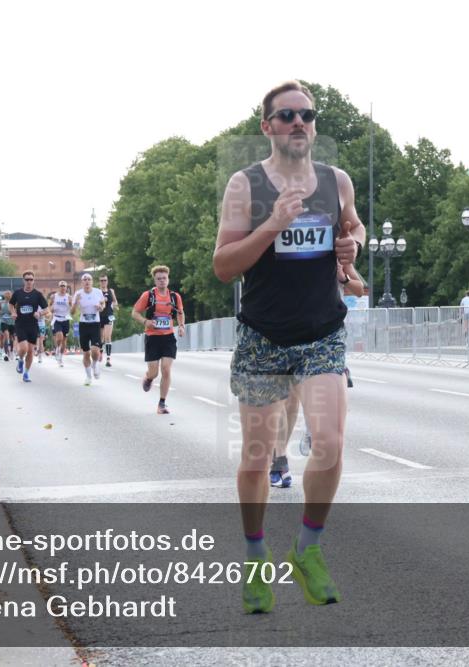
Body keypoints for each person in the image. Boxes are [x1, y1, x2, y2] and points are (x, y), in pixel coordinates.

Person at [213, 81, 365, 612]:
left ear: (314, 125)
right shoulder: (245, 185)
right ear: (268, 127)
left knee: (331, 442)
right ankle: (255, 558)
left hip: (322, 333)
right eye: (286, 116)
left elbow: (354, 226)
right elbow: (224, 264)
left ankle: (308, 548)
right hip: (263, 336)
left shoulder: (335, 180)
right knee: (256, 458)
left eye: (306, 114)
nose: (298, 122)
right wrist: (274, 223)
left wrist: (354, 244)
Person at [271, 263, 365, 488]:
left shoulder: (334, 248)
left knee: (320, 396)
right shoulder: (285, 245)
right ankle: (279, 459)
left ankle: (314, 429)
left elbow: (359, 289)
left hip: (326, 339)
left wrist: (342, 278)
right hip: (288, 332)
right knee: (289, 401)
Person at [132, 265, 185, 413]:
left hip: (168, 337)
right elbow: (135, 312)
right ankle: (148, 378)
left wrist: (181, 326)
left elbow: (180, 312)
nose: (162, 281)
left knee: (166, 370)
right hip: (152, 337)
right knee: (154, 372)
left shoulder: (174, 297)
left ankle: (162, 404)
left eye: (164, 278)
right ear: (155, 281)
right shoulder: (148, 296)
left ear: (168, 279)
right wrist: (145, 322)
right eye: (158, 279)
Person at [9, 271, 47, 382]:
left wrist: (40, 314)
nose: (29, 281)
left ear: (34, 281)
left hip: (33, 325)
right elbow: (11, 304)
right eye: (27, 279)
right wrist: (13, 312)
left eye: (31, 279)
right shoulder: (17, 293)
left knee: (30, 351)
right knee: (24, 348)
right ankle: (20, 359)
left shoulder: (37, 294)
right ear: (23, 280)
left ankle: (26, 373)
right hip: (20, 324)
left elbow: (47, 309)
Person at [71, 273, 106, 386]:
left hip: (95, 323)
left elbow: (102, 305)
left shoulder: (97, 292)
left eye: (89, 279)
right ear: (82, 282)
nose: (87, 282)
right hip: (84, 324)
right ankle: (88, 376)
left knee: (95, 350)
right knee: (86, 353)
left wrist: (100, 307)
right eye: (84, 280)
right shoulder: (78, 293)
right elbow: (72, 312)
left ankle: (95, 364)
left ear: (92, 281)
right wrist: (76, 302)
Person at [49, 281, 73, 368]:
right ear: (58, 287)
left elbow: (72, 308)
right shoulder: (54, 296)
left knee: (64, 342)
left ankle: (60, 358)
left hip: (66, 319)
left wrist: (71, 307)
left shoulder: (69, 297)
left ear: (66, 288)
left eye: (64, 286)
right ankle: (57, 349)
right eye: (61, 286)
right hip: (57, 319)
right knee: (59, 336)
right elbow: (50, 306)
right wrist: (51, 309)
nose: (63, 288)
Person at [98, 275, 119, 367]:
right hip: (99, 316)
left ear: (107, 281)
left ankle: (108, 359)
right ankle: (101, 351)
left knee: (107, 336)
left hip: (109, 316)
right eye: (101, 280)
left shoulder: (111, 291)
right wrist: (102, 302)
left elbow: (115, 302)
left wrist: (113, 305)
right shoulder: (97, 292)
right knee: (100, 338)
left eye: (105, 280)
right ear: (99, 282)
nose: (103, 282)